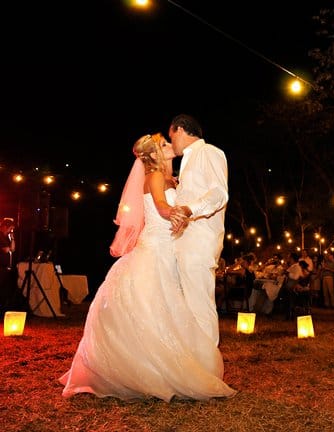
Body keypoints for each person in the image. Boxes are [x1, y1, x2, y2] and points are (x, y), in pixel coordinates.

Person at [59, 133, 236, 401]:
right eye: (164, 145)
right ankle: (150, 372)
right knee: (153, 310)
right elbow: (163, 208)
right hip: (156, 248)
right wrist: (178, 213)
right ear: (153, 155)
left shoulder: (168, 178)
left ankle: (165, 366)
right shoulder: (154, 176)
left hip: (169, 248)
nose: (169, 146)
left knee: (167, 310)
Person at [168, 114, 229, 346]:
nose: (171, 142)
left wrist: (188, 208)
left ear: (180, 129)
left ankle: (207, 366)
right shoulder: (188, 162)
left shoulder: (209, 153)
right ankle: (194, 360)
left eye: (171, 136)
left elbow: (219, 194)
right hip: (185, 240)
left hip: (201, 240)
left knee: (200, 304)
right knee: (187, 305)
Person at [0, 218, 18, 311]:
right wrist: (10, 247)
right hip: (1, 268)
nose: (11, 231)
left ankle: (4, 308)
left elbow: (13, 249)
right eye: (10, 229)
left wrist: (12, 238)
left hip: (6, 268)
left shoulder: (7, 237)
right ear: (5, 227)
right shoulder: (0, 236)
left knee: (5, 289)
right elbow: (7, 250)